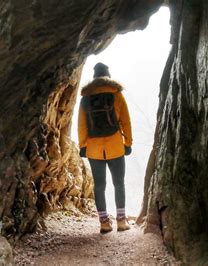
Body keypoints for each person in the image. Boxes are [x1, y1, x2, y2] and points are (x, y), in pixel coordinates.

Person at [78, 62, 132, 233]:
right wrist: (128, 143)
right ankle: (121, 221)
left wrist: (83, 146)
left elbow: (81, 126)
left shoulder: (85, 98)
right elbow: (125, 121)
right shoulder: (116, 94)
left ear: (94, 78)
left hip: (94, 149)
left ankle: (104, 223)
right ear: (108, 76)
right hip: (115, 146)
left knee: (99, 186)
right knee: (119, 184)